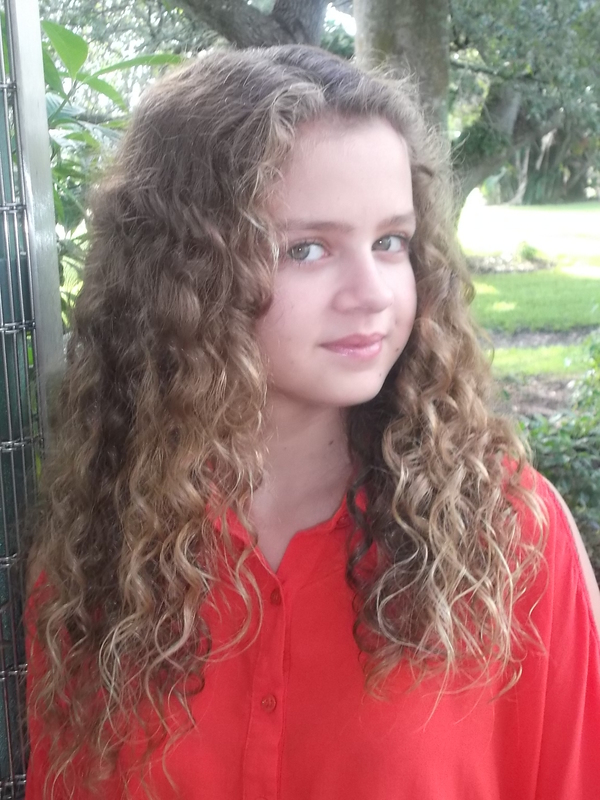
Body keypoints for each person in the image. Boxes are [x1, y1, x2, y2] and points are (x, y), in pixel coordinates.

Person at [25, 45, 600, 800]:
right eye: (307, 249)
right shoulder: (101, 547)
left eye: (390, 242)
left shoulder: (509, 536)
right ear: (185, 275)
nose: (373, 292)